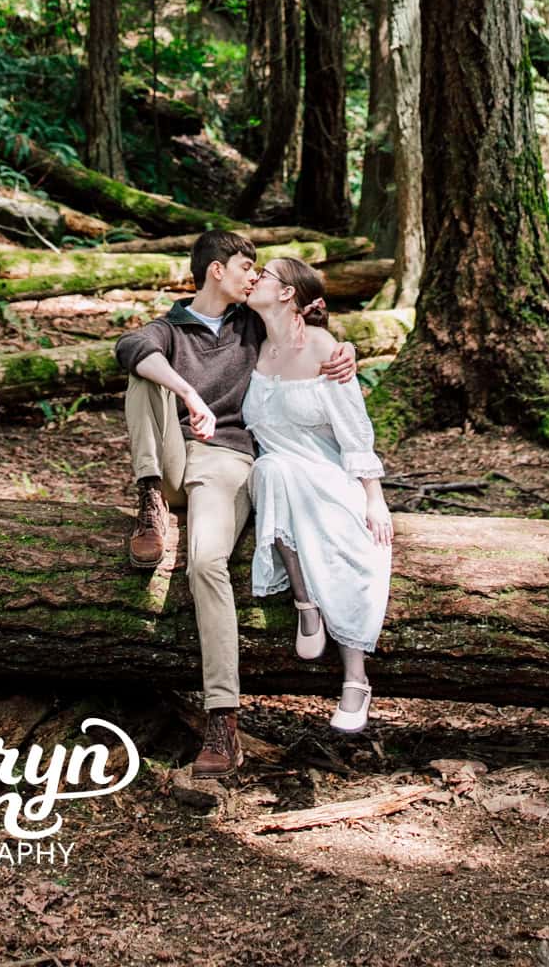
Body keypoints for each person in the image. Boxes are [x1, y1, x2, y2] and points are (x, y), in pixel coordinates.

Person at [113, 229, 358, 780]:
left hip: (227, 462)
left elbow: (308, 333)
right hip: (174, 460)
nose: (255, 276)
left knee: (204, 562)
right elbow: (129, 347)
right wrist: (189, 393)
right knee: (143, 373)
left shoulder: (253, 324)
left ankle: (221, 718)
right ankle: (148, 498)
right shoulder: (170, 327)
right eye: (247, 267)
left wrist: (346, 350)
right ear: (216, 271)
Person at [242, 255, 391, 735]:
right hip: (275, 476)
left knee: (344, 544)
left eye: (263, 275)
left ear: (287, 293)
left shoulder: (326, 348)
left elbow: (354, 430)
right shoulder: (251, 343)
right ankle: (306, 604)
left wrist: (374, 496)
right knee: (272, 468)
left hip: (328, 476)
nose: (254, 279)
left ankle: (356, 679)